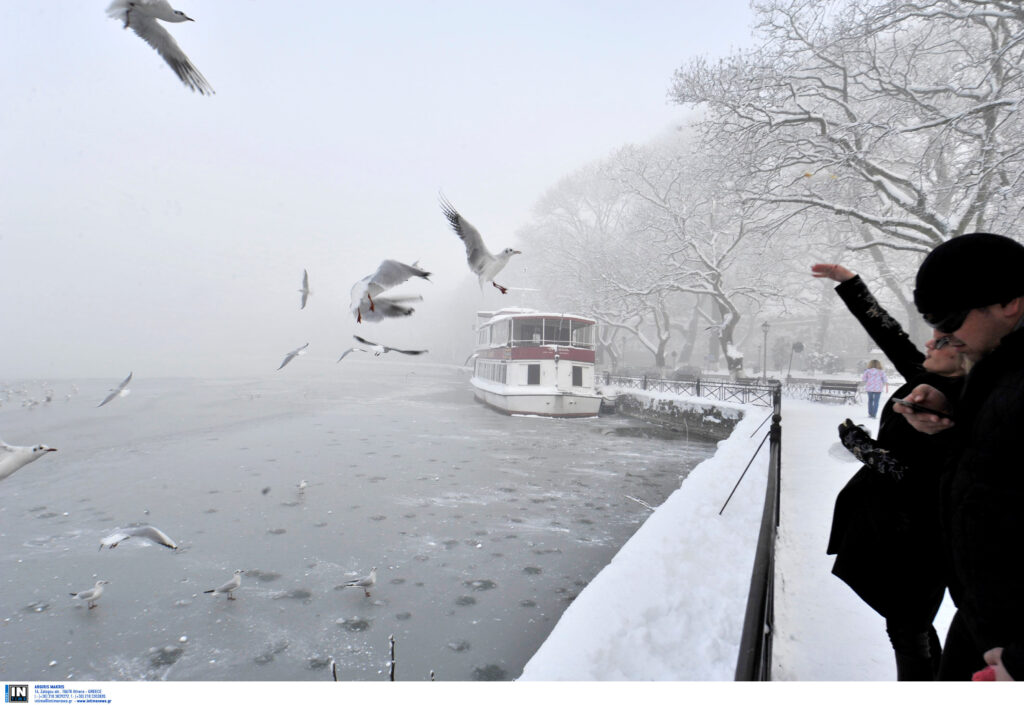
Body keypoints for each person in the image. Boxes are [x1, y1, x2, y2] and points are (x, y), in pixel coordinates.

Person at [811, 262, 968, 680]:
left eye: (945, 340)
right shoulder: (925, 375)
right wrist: (851, 286)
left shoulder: (962, 404)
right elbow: (889, 334)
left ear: (967, 353)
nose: (931, 342)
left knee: (907, 626)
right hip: (894, 527)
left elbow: (924, 480)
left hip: (917, 537)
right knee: (909, 625)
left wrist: (864, 449)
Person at [894, 232, 1024, 681]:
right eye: (931, 322)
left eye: (948, 319)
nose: (940, 337)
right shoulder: (997, 367)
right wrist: (952, 417)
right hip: (982, 620)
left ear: (1010, 302)